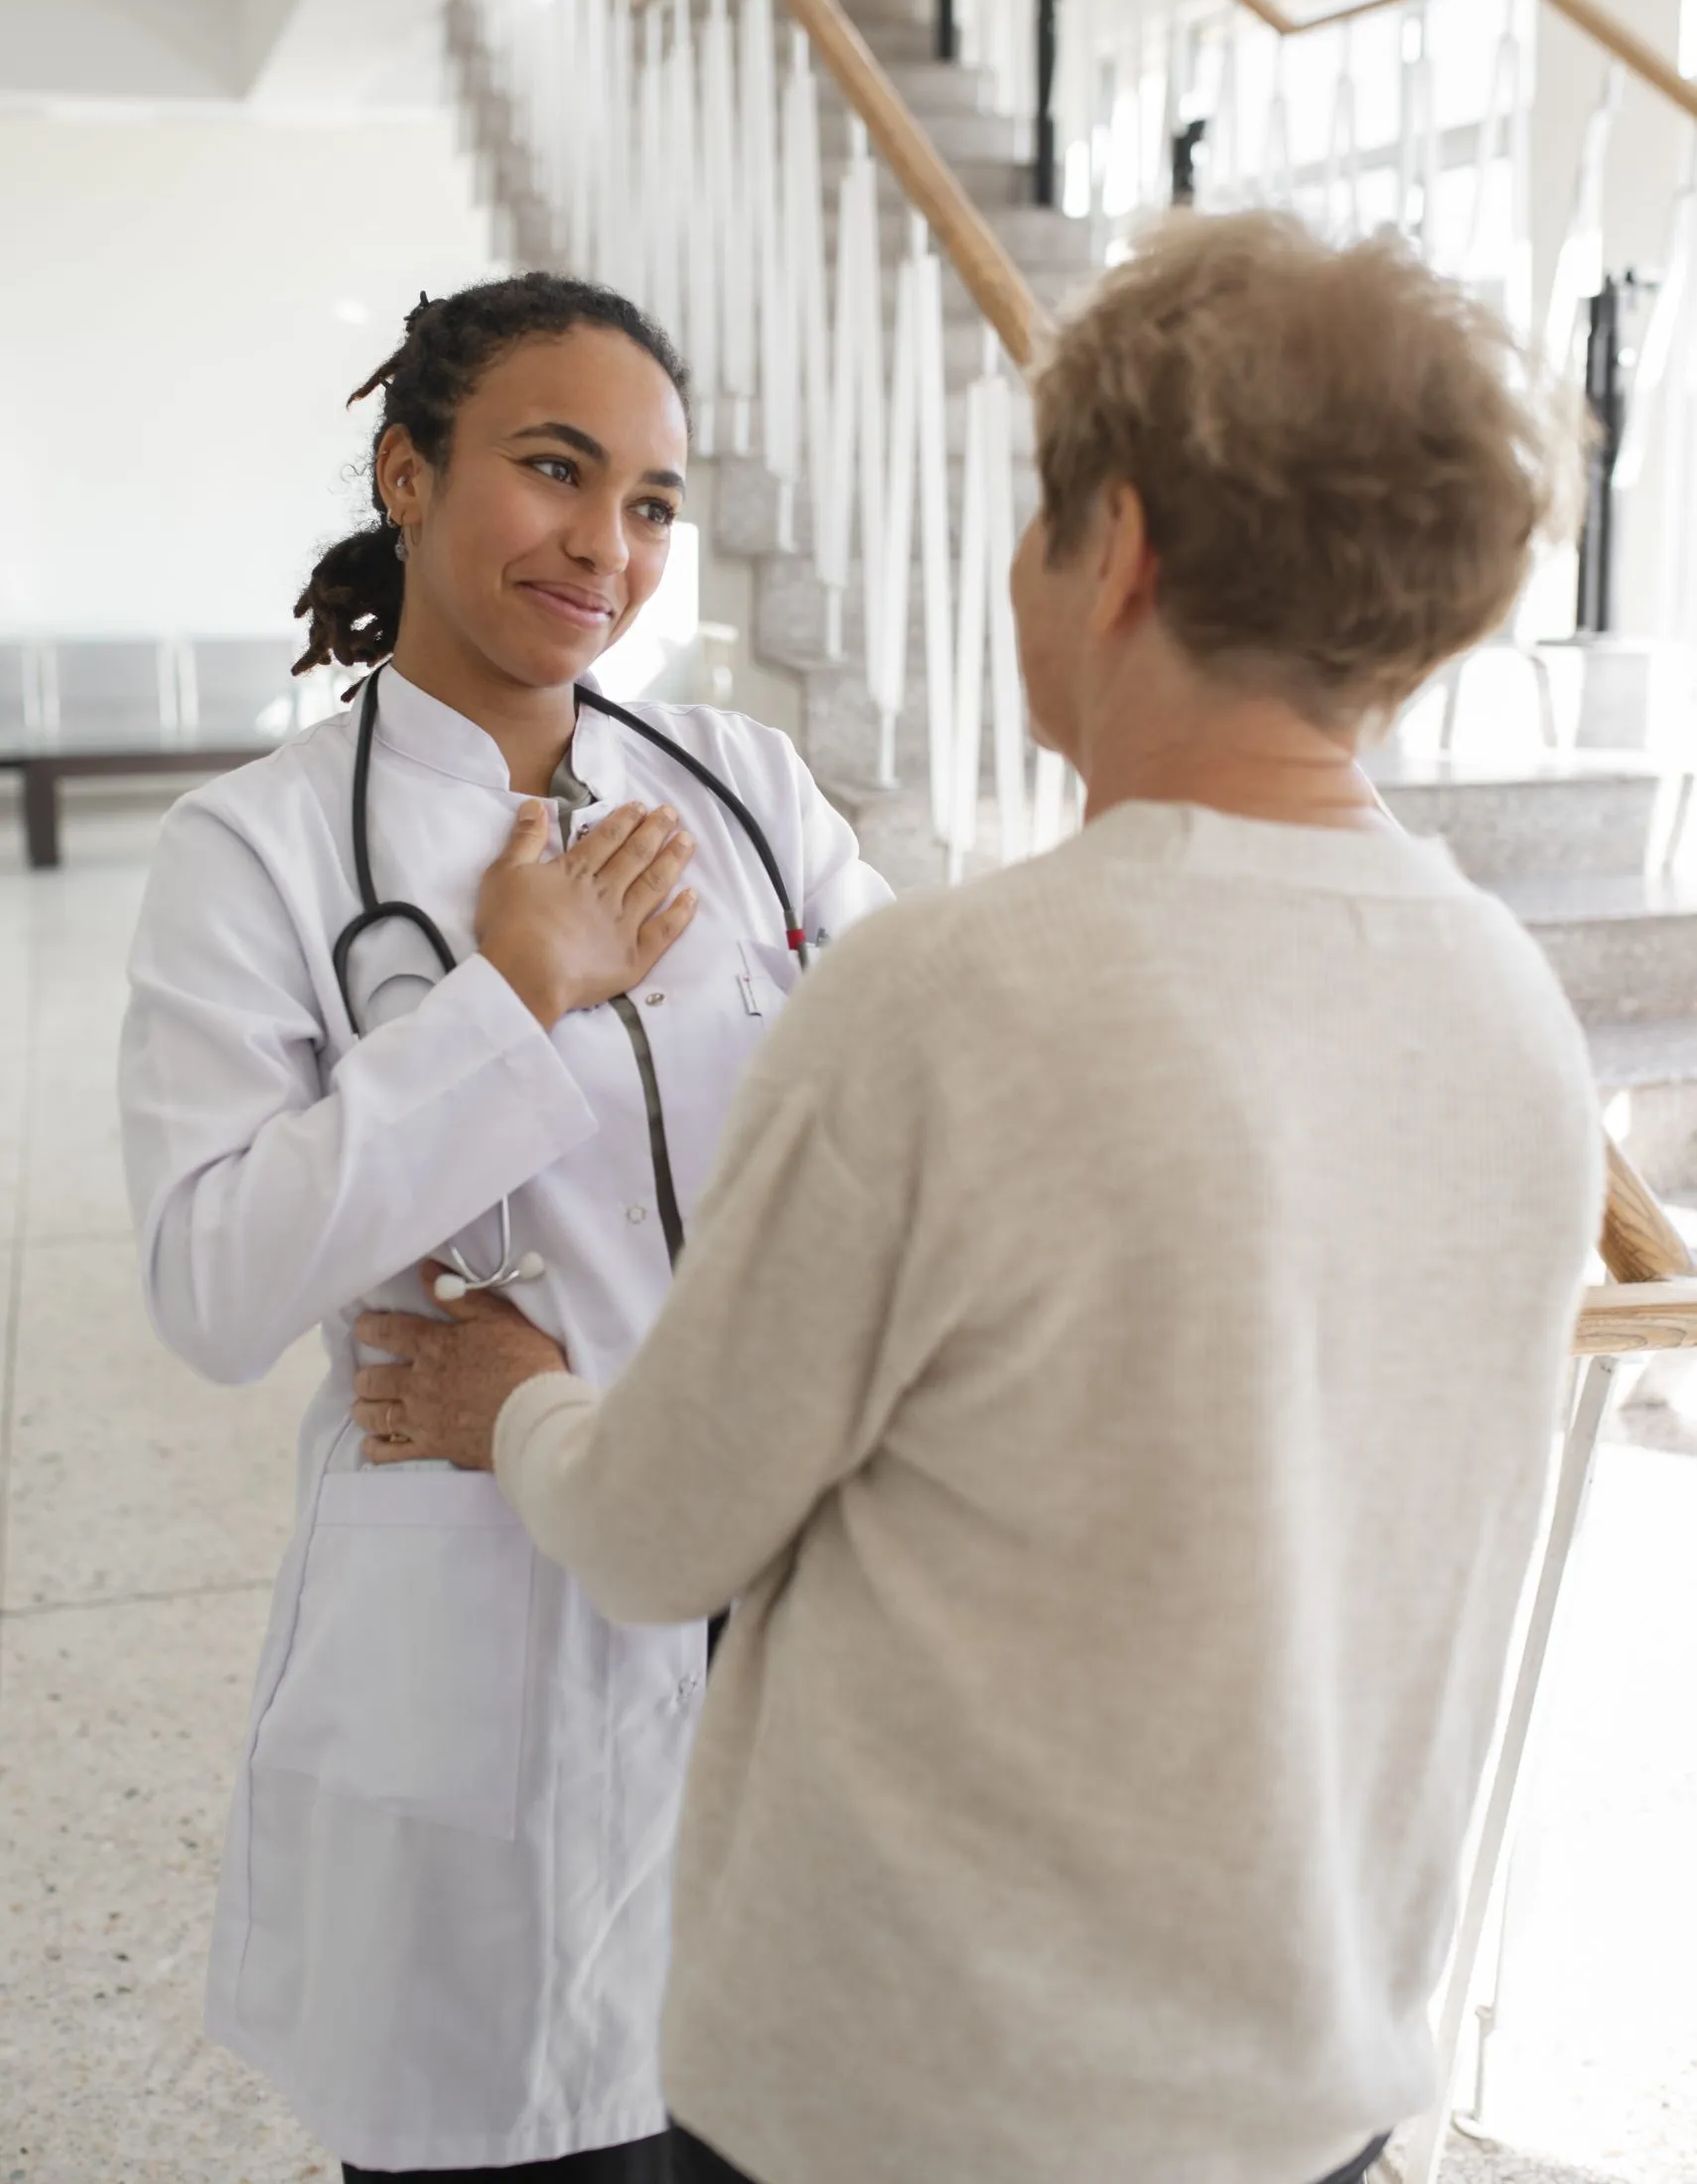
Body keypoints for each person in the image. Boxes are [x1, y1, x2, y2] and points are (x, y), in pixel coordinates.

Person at [352, 212, 1604, 2184]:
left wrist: (505, 1379)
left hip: (919, 2100)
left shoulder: (949, 996)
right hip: (1322, 2095)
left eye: (1037, 517)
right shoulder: (1512, 1016)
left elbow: (655, 1527)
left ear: (1117, 548)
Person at [117, 272, 890, 2180]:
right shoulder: (261, 851)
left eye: (649, 503)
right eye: (555, 472)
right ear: (407, 470)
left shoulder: (751, 794)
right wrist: (506, 999)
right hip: (485, 1636)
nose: (606, 548)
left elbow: (910, 1098)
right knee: (520, 2131)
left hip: (772, 1606)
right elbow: (214, 1284)